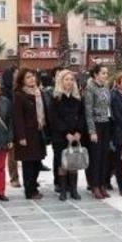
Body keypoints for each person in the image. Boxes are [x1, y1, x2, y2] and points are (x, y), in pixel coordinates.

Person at [48, 70, 84, 201]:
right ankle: (62, 189)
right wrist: (66, 133)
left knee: (73, 162)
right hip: (60, 136)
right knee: (62, 163)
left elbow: (81, 116)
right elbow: (54, 118)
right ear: (61, 81)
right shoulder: (55, 98)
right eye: (66, 79)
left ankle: (73, 189)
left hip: (75, 136)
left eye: (71, 80)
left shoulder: (77, 98)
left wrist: (79, 132)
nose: (69, 82)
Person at [13, 68, 47, 200]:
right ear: (22, 80)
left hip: (38, 133)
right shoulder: (19, 95)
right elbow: (18, 118)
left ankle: (34, 186)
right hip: (27, 134)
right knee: (28, 164)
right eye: (28, 77)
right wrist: (21, 136)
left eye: (33, 76)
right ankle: (29, 190)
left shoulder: (39, 93)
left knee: (37, 162)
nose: (32, 79)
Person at [84, 65, 112, 200]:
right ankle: (94, 185)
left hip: (106, 123)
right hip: (96, 125)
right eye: (103, 73)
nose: (106, 75)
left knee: (104, 156)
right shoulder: (90, 88)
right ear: (95, 74)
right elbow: (88, 111)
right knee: (95, 157)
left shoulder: (106, 87)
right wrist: (92, 131)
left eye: (106, 73)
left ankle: (102, 184)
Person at [0, 67, 21, 188]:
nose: (18, 77)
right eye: (16, 75)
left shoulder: (20, 89)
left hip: (21, 124)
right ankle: (14, 178)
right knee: (12, 153)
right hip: (9, 125)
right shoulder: (3, 92)